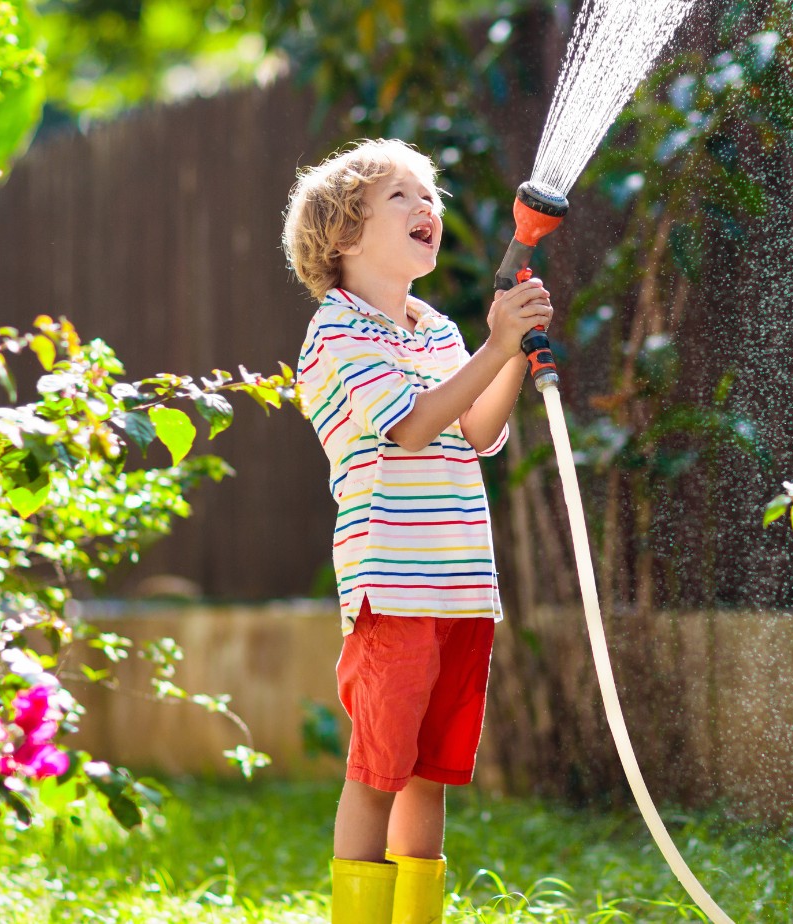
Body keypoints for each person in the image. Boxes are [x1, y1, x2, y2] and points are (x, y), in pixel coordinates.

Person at [284, 138, 554, 924]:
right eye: (401, 196)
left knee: (429, 774)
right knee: (378, 770)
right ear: (343, 236)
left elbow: (473, 431)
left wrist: (510, 351)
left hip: (461, 585)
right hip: (393, 585)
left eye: (429, 195)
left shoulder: (434, 329)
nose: (426, 207)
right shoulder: (337, 330)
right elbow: (408, 425)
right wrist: (497, 343)